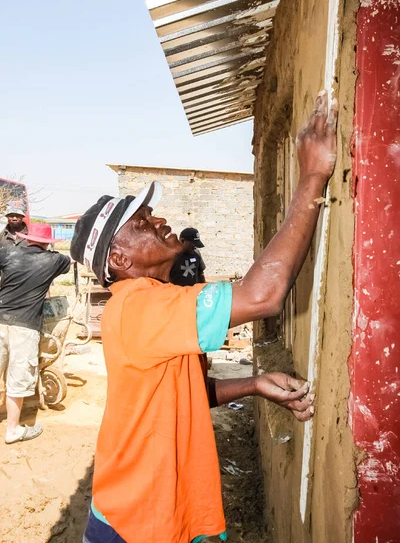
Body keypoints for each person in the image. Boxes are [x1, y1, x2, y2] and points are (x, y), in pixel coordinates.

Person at [71, 91, 337, 543]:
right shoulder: (139, 306)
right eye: (141, 225)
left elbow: (183, 394)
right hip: (139, 526)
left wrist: (254, 385)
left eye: (151, 214)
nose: (158, 223)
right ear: (119, 258)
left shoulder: (153, 300)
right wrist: (311, 177)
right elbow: (263, 295)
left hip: (149, 516)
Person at [0, 223, 71, 444]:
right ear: (48, 243)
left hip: (0, 319)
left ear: (27, 239)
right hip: (26, 327)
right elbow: (68, 262)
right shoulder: (54, 260)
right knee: (18, 379)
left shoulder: (8, 252)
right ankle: (13, 430)